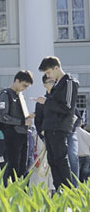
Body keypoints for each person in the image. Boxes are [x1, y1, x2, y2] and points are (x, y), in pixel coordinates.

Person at [34, 56, 79, 191]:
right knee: (53, 161)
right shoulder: (57, 84)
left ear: (56, 68)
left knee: (60, 160)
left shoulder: (70, 82)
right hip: (49, 128)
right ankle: (59, 190)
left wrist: (46, 102)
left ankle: (68, 191)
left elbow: (67, 107)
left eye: (48, 72)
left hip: (59, 127)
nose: (48, 76)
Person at [0, 70, 35, 182]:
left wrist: (28, 117)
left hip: (23, 134)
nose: (24, 88)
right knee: (13, 166)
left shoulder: (20, 96)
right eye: (24, 85)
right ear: (17, 81)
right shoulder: (5, 94)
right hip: (12, 134)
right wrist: (23, 122)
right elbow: (3, 116)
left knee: (23, 167)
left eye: (27, 87)